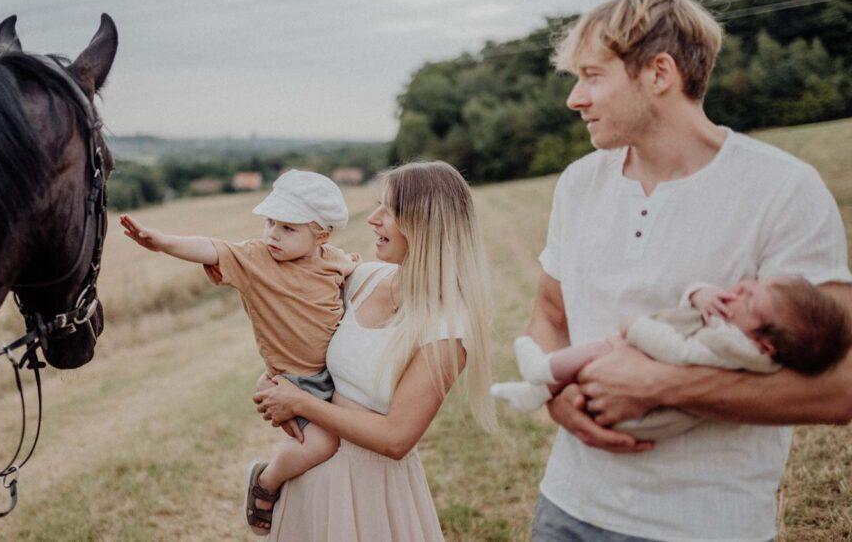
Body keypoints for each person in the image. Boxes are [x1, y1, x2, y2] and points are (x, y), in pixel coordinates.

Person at [523, 0, 852, 541]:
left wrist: (659, 384)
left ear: (659, 73)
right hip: (567, 509)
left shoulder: (783, 189)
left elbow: (840, 387)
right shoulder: (579, 183)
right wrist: (554, 396)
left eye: (592, 75)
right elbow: (549, 317)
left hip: (704, 525)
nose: (575, 99)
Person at [253, 161, 496, 541]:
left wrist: (300, 404)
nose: (373, 219)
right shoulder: (362, 280)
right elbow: (299, 324)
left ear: (425, 226)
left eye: (390, 211)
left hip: (372, 491)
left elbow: (396, 438)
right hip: (312, 478)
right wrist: (274, 376)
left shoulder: (447, 327)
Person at [118, 169, 359, 535]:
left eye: (288, 228)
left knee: (350, 444)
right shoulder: (256, 259)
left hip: (334, 375)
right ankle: (267, 480)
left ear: (321, 235)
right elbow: (211, 247)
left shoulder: (334, 260)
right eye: (270, 223)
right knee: (323, 445)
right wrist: (164, 242)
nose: (273, 234)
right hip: (297, 379)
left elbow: (358, 275)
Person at [492, 276, 851, 440]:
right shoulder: (742, 333)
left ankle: (541, 371)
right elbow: (692, 307)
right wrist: (700, 293)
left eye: (750, 300)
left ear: (766, 346)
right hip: (621, 414)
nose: (738, 292)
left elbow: (679, 351)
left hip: (639, 416)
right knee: (604, 355)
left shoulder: (736, 349)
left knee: (605, 348)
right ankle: (537, 392)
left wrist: (635, 329)